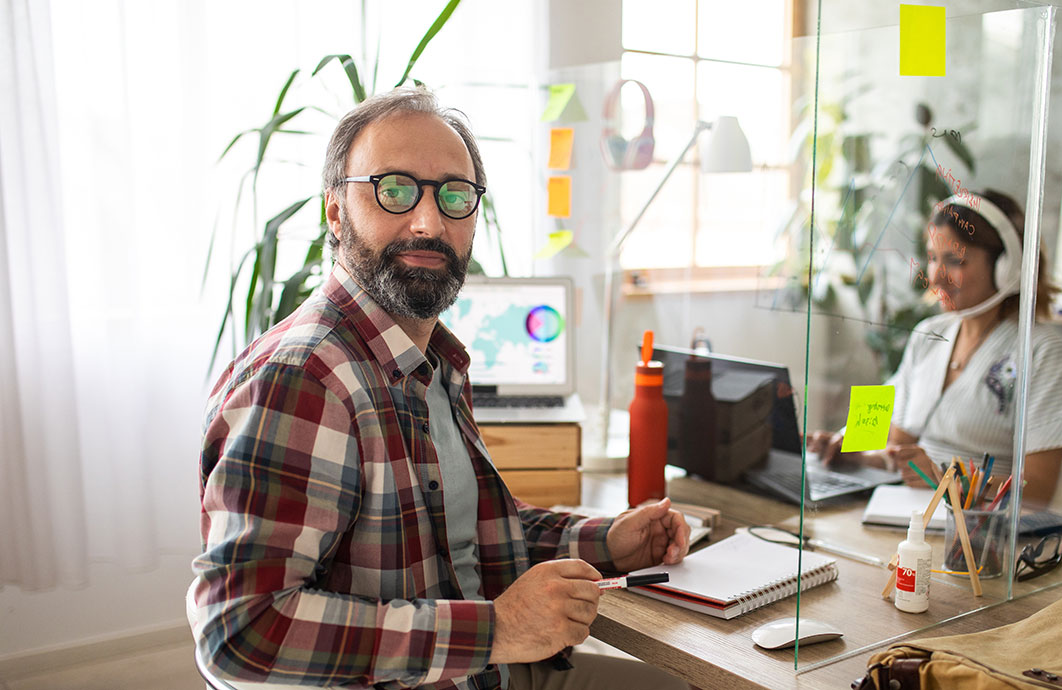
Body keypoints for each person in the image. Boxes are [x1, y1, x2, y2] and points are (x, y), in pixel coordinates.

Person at [191, 87, 690, 690]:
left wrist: (608, 540)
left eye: (454, 195)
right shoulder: (306, 377)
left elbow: (466, 536)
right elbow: (240, 633)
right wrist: (498, 629)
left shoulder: (432, 361)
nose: (428, 222)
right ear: (334, 209)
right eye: (393, 189)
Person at [808, 190, 1062, 507]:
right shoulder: (928, 333)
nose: (936, 277)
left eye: (955, 261)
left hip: (980, 532)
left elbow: (1040, 488)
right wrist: (847, 445)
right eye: (932, 258)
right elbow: (894, 443)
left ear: (1006, 268)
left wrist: (948, 480)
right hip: (907, 511)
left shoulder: (1043, 353)